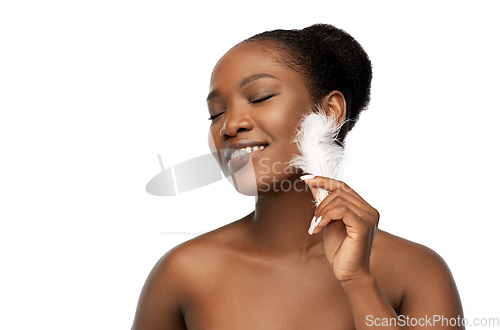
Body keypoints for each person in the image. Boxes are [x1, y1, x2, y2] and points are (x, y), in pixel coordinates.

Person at [131, 24, 464, 329]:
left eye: (260, 97)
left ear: (329, 111)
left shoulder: (416, 271)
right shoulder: (183, 271)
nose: (229, 125)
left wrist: (358, 282)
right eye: (216, 113)